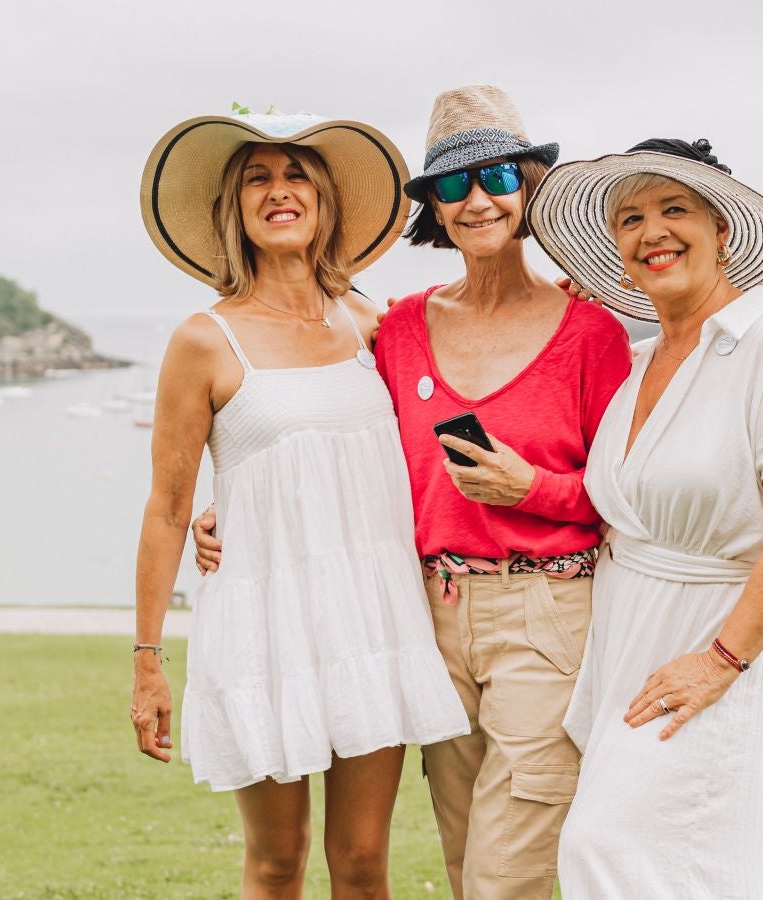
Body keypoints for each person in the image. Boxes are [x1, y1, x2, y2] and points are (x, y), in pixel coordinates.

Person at [196, 85, 633, 899]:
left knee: (508, 876)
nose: (479, 200)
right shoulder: (396, 329)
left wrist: (531, 487)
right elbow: (321, 430)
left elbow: (630, 498)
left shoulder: (590, 331)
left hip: (547, 614)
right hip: (427, 619)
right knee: (465, 865)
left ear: (530, 187)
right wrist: (241, 509)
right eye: (455, 184)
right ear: (434, 205)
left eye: (498, 177)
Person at [131, 108, 467, 898]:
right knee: (276, 863)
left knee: (363, 863)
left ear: (323, 202)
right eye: (258, 179)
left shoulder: (371, 323)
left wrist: (562, 295)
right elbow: (169, 509)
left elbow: (468, 377)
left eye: (296, 177)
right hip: (263, 625)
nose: (279, 191)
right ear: (235, 209)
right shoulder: (203, 341)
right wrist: (147, 661)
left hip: (372, 619)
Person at [528, 138, 763, 897]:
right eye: (630, 218)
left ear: (721, 230)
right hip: (627, 649)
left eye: (674, 209)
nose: (653, 232)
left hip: (715, 645)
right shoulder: (640, 362)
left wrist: (719, 662)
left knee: (605, 847)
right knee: (709, 868)